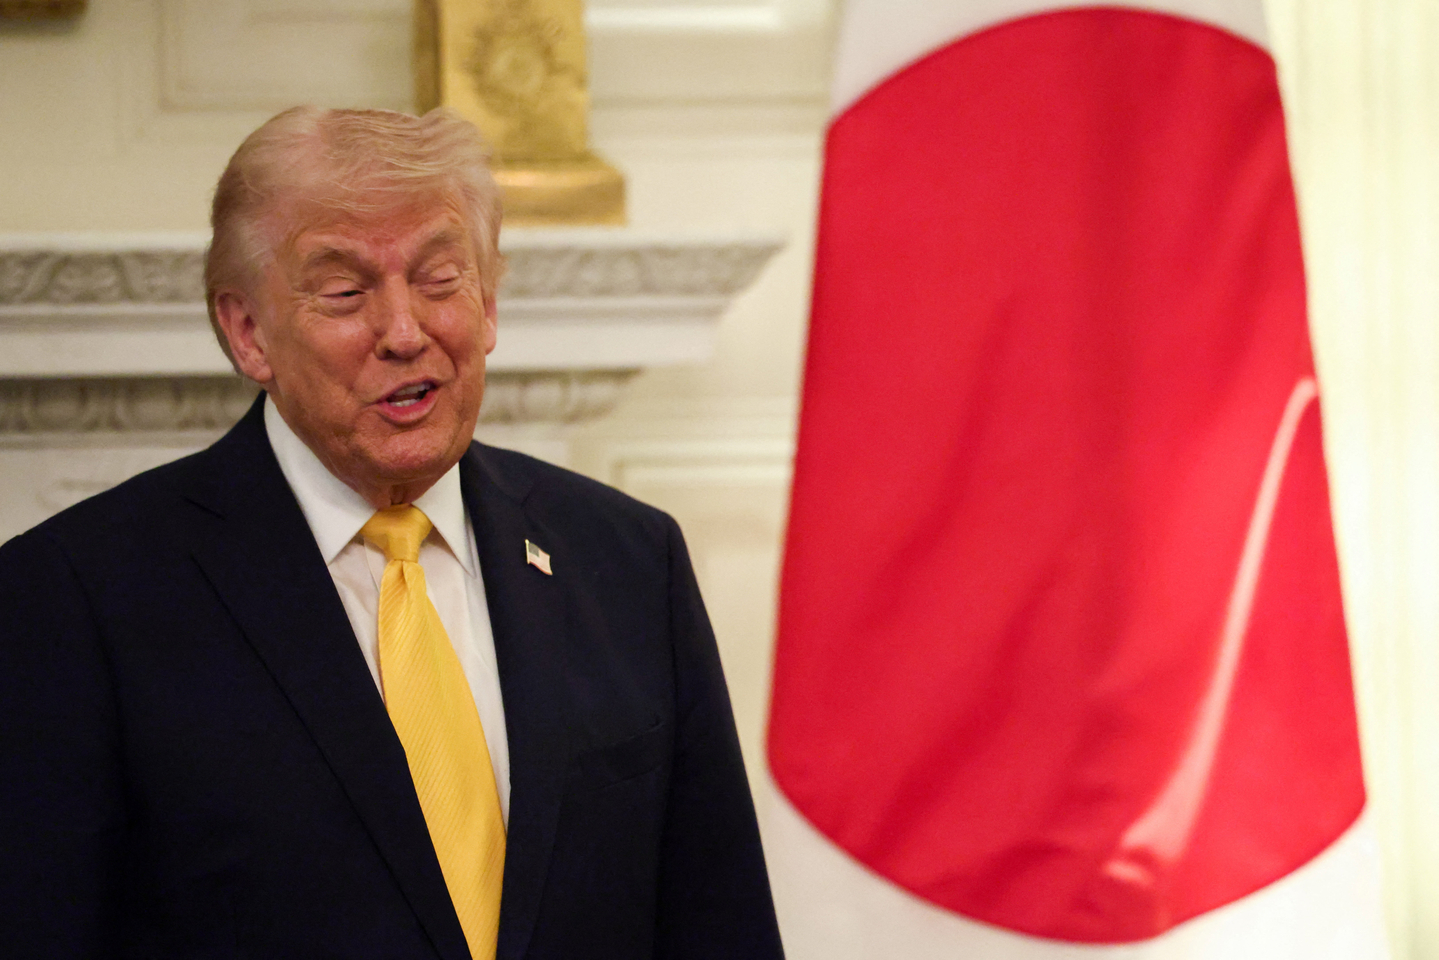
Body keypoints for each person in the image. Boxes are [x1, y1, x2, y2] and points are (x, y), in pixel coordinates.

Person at [0, 106, 784, 960]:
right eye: (344, 293)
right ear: (248, 332)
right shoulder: (76, 596)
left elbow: (720, 922)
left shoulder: (628, 558)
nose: (406, 333)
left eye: (440, 280)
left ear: (488, 303)